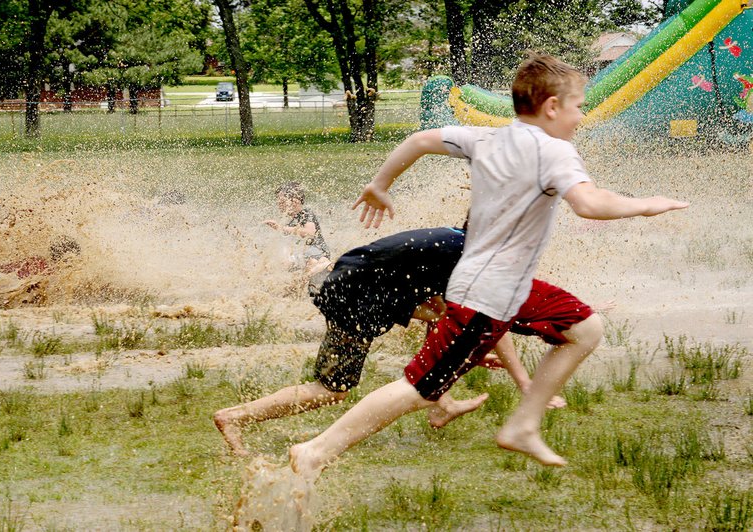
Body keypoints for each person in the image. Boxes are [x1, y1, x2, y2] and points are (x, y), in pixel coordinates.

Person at [289, 53, 688, 480]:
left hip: (506, 285)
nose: (581, 114)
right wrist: (648, 205)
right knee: (420, 390)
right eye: (577, 105)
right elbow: (590, 203)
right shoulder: (556, 151)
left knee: (585, 327)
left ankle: (523, 425)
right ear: (552, 107)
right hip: (485, 297)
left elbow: (421, 140)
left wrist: (380, 184)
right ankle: (315, 450)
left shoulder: (487, 137)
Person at [214, 226, 574, 457]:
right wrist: (525, 382)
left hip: (353, 281)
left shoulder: (456, 241)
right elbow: (492, 320)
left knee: (444, 316)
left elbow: (454, 315)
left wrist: (474, 353)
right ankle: (234, 417)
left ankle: (441, 403)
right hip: (353, 296)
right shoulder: (467, 259)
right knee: (331, 390)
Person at [264, 182, 331, 282]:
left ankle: (323, 263)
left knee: (296, 263)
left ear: (295, 200)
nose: (278, 204)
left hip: (317, 251)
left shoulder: (305, 213)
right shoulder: (292, 221)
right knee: (280, 266)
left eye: (281, 201)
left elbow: (309, 232)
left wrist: (280, 228)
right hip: (307, 254)